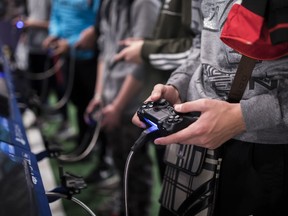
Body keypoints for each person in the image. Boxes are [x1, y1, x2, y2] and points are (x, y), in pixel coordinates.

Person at [132, 0, 288, 216]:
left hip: (265, 152)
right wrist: (178, 84)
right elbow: (202, 39)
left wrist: (245, 116)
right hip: (195, 136)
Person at [85, 0, 161, 215]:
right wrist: (100, 95)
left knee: (134, 165)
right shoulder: (109, 3)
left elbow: (143, 60)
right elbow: (104, 50)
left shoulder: (143, 4)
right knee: (120, 159)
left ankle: (136, 209)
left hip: (132, 103)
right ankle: (124, 201)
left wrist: (118, 106)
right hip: (111, 96)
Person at [114, 0, 195, 180]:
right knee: (167, 181)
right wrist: (146, 46)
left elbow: (199, 48)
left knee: (177, 179)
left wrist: (146, 50)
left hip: (184, 105)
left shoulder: (146, 3)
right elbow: (196, 46)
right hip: (165, 96)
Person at [43, 0, 101, 145]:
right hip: (67, 57)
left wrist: (70, 43)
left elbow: (98, 25)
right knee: (77, 102)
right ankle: (83, 140)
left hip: (89, 58)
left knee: (92, 105)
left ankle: (98, 146)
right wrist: (54, 34)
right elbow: (56, 15)